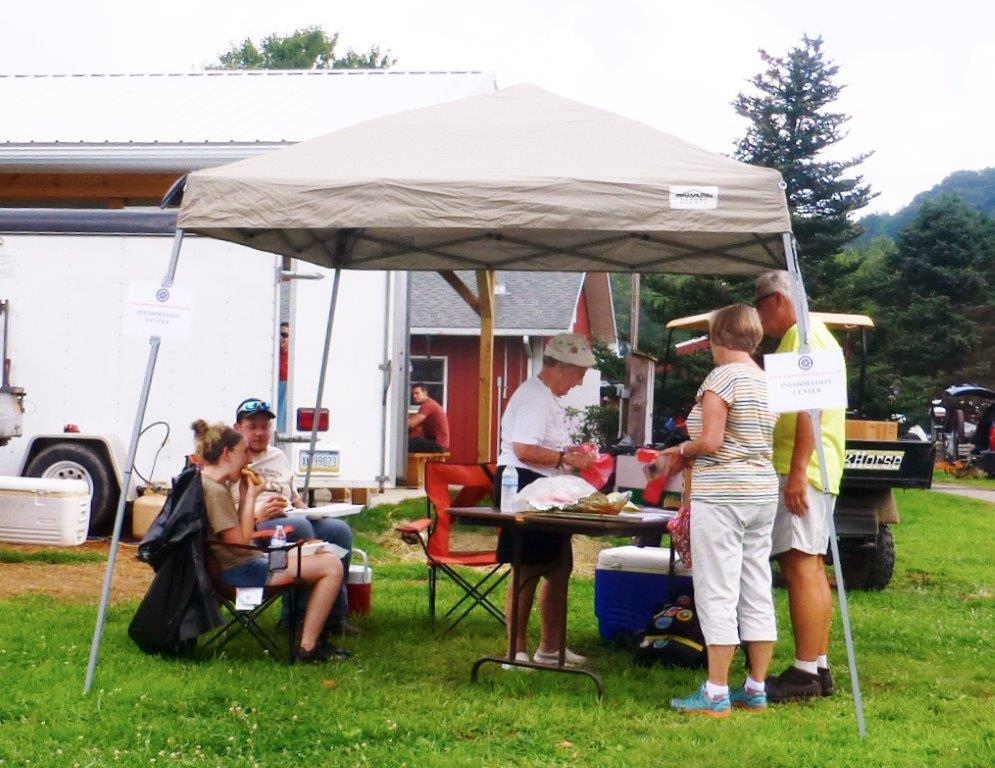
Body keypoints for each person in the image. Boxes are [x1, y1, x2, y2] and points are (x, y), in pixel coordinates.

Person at [650, 305, 779, 717]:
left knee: (716, 588)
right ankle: (756, 687)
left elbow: (711, 441)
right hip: (762, 490)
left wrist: (676, 451)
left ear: (717, 338)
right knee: (757, 585)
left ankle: (716, 692)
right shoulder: (765, 379)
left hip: (723, 492)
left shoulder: (721, 377)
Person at [754, 270, 846, 702]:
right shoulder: (814, 336)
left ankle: (804, 673)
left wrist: (795, 472)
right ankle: (819, 664)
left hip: (805, 471)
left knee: (799, 565)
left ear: (776, 301)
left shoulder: (801, 338)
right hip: (819, 469)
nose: (759, 319)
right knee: (812, 565)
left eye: (759, 307)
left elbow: (810, 407)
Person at [191, 419, 345, 663]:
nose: (249, 461)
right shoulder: (215, 491)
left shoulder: (205, 482)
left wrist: (246, 495)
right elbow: (240, 541)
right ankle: (308, 647)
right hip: (239, 573)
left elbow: (236, 539)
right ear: (227, 454)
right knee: (331, 564)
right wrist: (251, 497)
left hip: (239, 563)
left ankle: (312, 634)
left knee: (319, 554)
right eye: (243, 453)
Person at [493, 333, 597, 668]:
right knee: (529, 567)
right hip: (525, 486)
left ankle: (551, 647)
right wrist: (567, 460)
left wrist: (568, 455)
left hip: (544, 488)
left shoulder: (546, 397)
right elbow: (524, 449)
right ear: (562, 367)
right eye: (578, 375)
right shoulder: (535, 397)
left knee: (558, 566)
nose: (579, 383)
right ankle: (515, 651)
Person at [232, 397, 360, 637]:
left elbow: (294, 497)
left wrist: (312, 511)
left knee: (338, 530)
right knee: (299, 527)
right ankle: (295, 617)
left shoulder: (278, 456)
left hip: (291, 513)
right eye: (252, 427)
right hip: (258, 526)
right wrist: (258, 515)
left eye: (265, 426)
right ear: (237, 428)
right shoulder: (233, 459)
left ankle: (334, 616)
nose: (260, 433)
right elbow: (227, 511)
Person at [407, 384, 450, 453]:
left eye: (417, 393)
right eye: (413, 394)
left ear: (425, 393)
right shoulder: (428, 405)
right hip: (437, 443)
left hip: (437, 444)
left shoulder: (428, 405)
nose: (414, 396)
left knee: (404, 442)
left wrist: (398, 422)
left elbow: (412, 423)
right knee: (411, 440)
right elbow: (415, 426)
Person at [277, 322, 289, 433]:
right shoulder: (275, 358)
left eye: (285, 335)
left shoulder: (292, 359)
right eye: (280, 335)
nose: (282, 338)